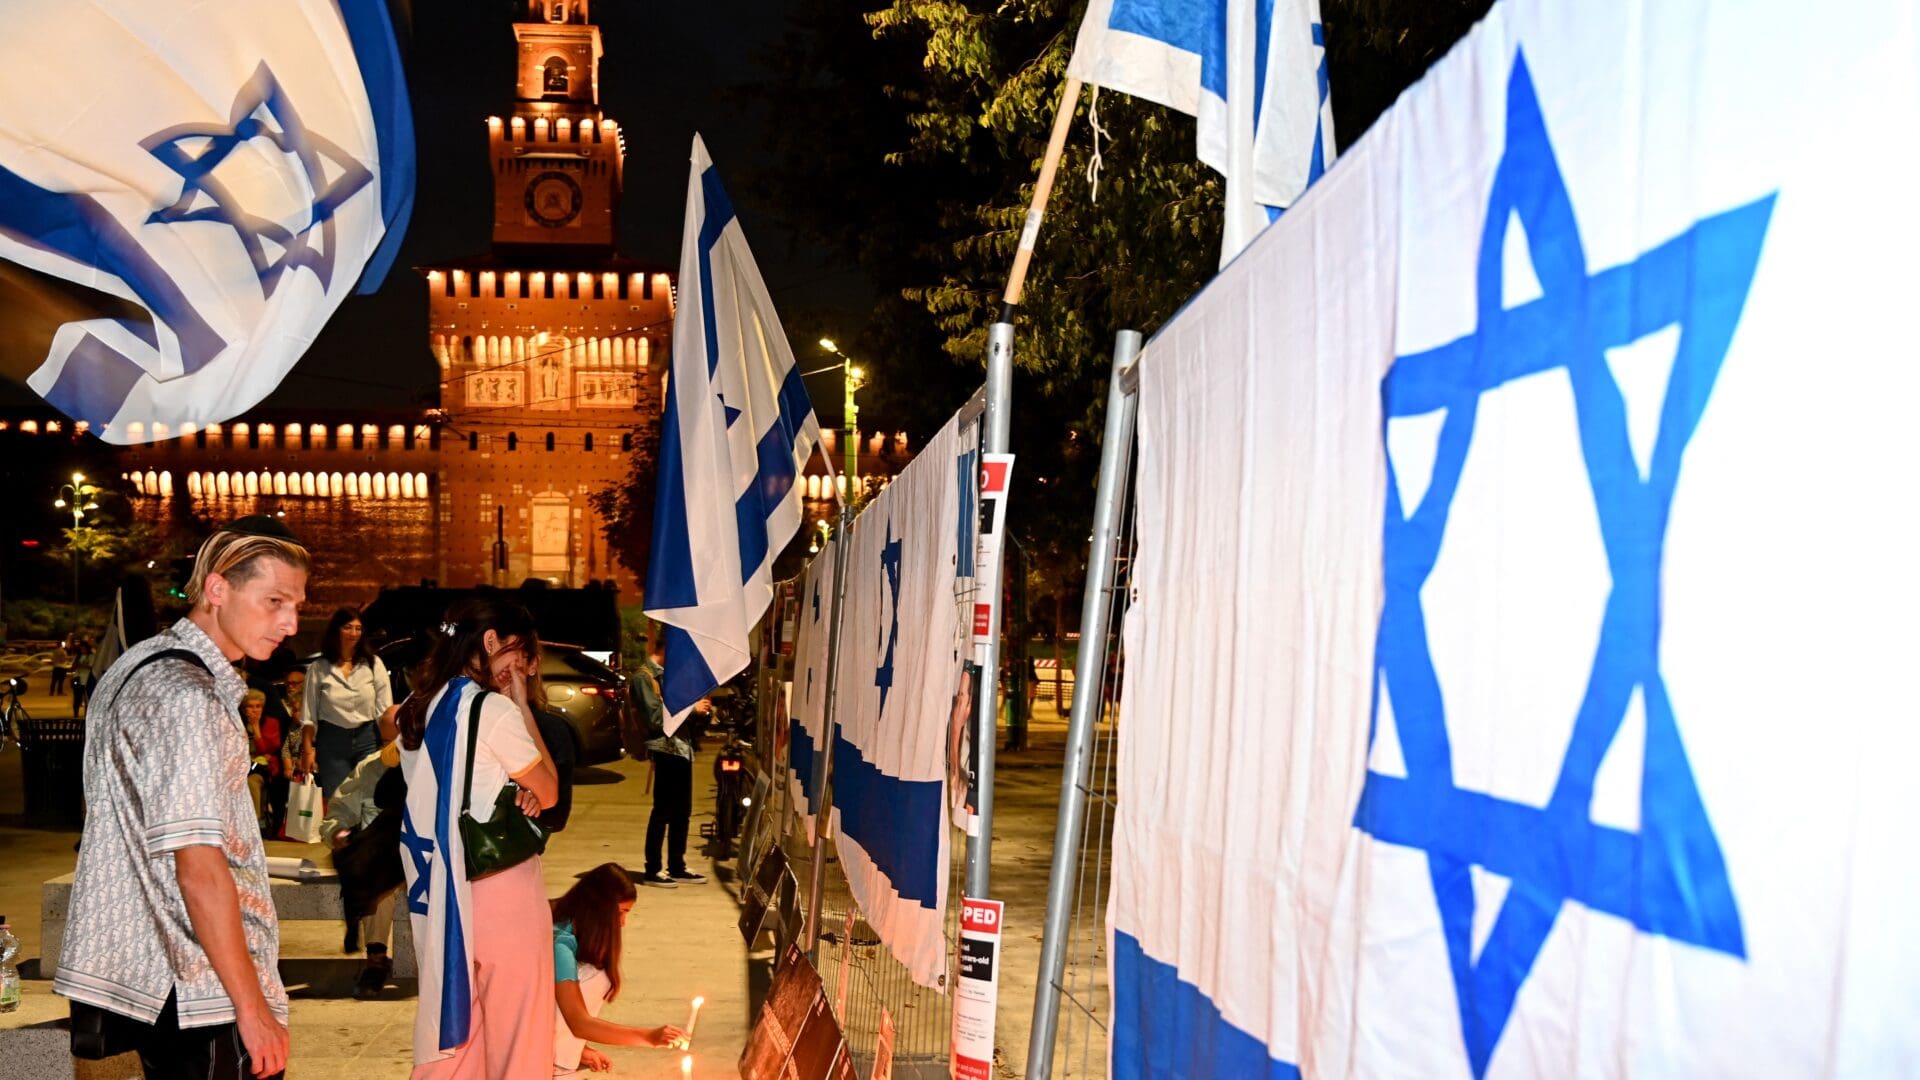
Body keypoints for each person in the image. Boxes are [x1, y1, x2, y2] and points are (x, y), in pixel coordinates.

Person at [54, 516, 308, 1079]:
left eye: (297, 605)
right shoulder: (187, 697)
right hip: (199, 985)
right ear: (217, 590)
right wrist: (252, 1007)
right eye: (274, 601)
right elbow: (199, 865)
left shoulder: (134, 668)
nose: (290, 622)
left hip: (145, 975)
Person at [398, 596, 560, 1077]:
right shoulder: (493, 709)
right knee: (519, 1026)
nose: (523, 668)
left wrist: (512, 788)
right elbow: (548, 790)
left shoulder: (423, 704)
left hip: (448, 886)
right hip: (504, 884)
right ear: (491, 642)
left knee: (459, 1033)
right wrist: (521, 706)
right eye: (519, 653)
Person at [549, 864, 687, 1076]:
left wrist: (579, 1049)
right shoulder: (559, 945)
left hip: (549, 1048)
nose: (622, 923)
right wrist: (648, 1037)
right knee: (597, 974)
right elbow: (577, 1022)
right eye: (621, 912)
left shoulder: (567, 921)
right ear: (600, 908)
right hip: (537, 1059)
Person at [319, 707, 404, 1000]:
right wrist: (337, 833)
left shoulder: (434, 765)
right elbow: (339, 810)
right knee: (377, 882)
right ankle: (376, 959)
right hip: (386, 858)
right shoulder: (369, 768)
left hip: (425, 857)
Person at [636, 638, 708, 888]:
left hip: (681, 749)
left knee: (682, 811)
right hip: (665, 749)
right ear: (666, 648)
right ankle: (653, 868)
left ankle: (677, 864)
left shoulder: (668, 675)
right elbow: (656, 718)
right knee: (662, 810)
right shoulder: (644, 677)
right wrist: (691, 708)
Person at [303, 607, 393, 798]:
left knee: (369, 798)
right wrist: (308, 750)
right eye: (348, 627)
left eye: (358, 628)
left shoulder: (373, 663)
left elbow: (385, 709)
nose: (353, 633)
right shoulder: (319, 668)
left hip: (367, 738)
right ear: (336, 630)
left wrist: (387, 743)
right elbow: (309, 714)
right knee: (338, 800)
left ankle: (365, 830)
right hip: (332, 742)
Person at [240, 690, 287, 838]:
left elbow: (268, 749)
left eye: (258, 706)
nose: (255, 710)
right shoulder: (237, 722)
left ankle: (255, 823)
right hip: (240, 766)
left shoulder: (271, 723)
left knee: (252, 782)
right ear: (243, 708)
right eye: (250, 706)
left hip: (264, 768)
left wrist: (256, 728)